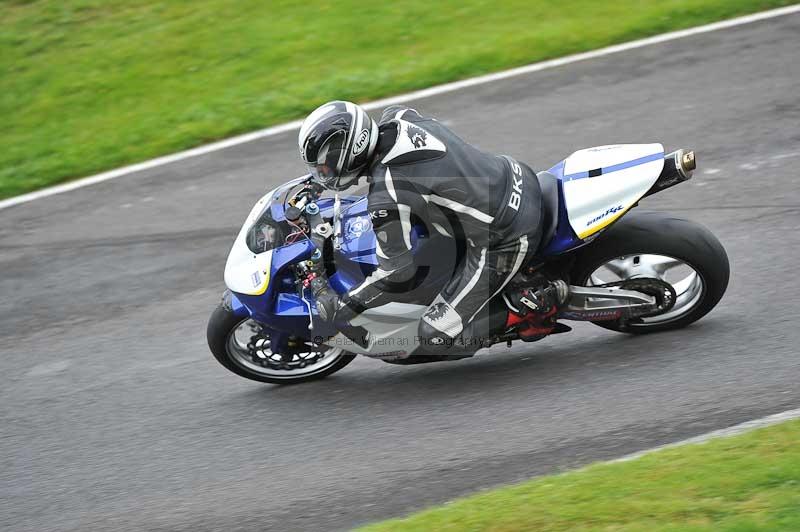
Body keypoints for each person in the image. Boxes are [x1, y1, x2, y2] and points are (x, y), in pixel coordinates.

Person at [298, 100, 566, 351]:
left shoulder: (387, 193)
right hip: (512, 173)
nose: (324, 173)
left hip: (505, 235)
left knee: (433, 335)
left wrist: (345, 306)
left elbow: (397, 272)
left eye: (325, 165)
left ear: (351, 151)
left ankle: (533, 306)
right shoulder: (398, 116)